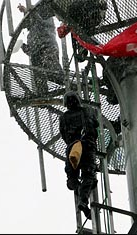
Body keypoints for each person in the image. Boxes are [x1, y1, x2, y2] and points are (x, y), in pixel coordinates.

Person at [18, 0, 64, 94]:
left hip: (47, 46)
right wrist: (22, 46)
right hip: (37, 52)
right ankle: (43, 95)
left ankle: (64, 81)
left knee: (53, 71)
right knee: (39, 76)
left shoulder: (44, 14)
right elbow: (30, 50)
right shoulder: (32, 33)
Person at [59, 91, 99, 220]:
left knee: (72, 178)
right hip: (87, 146)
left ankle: (81, 193)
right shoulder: (87, 111)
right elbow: (95, 126)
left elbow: (64, 135)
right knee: (89, 175)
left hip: (73, 148)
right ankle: (83, 199)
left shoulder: (63, 117)